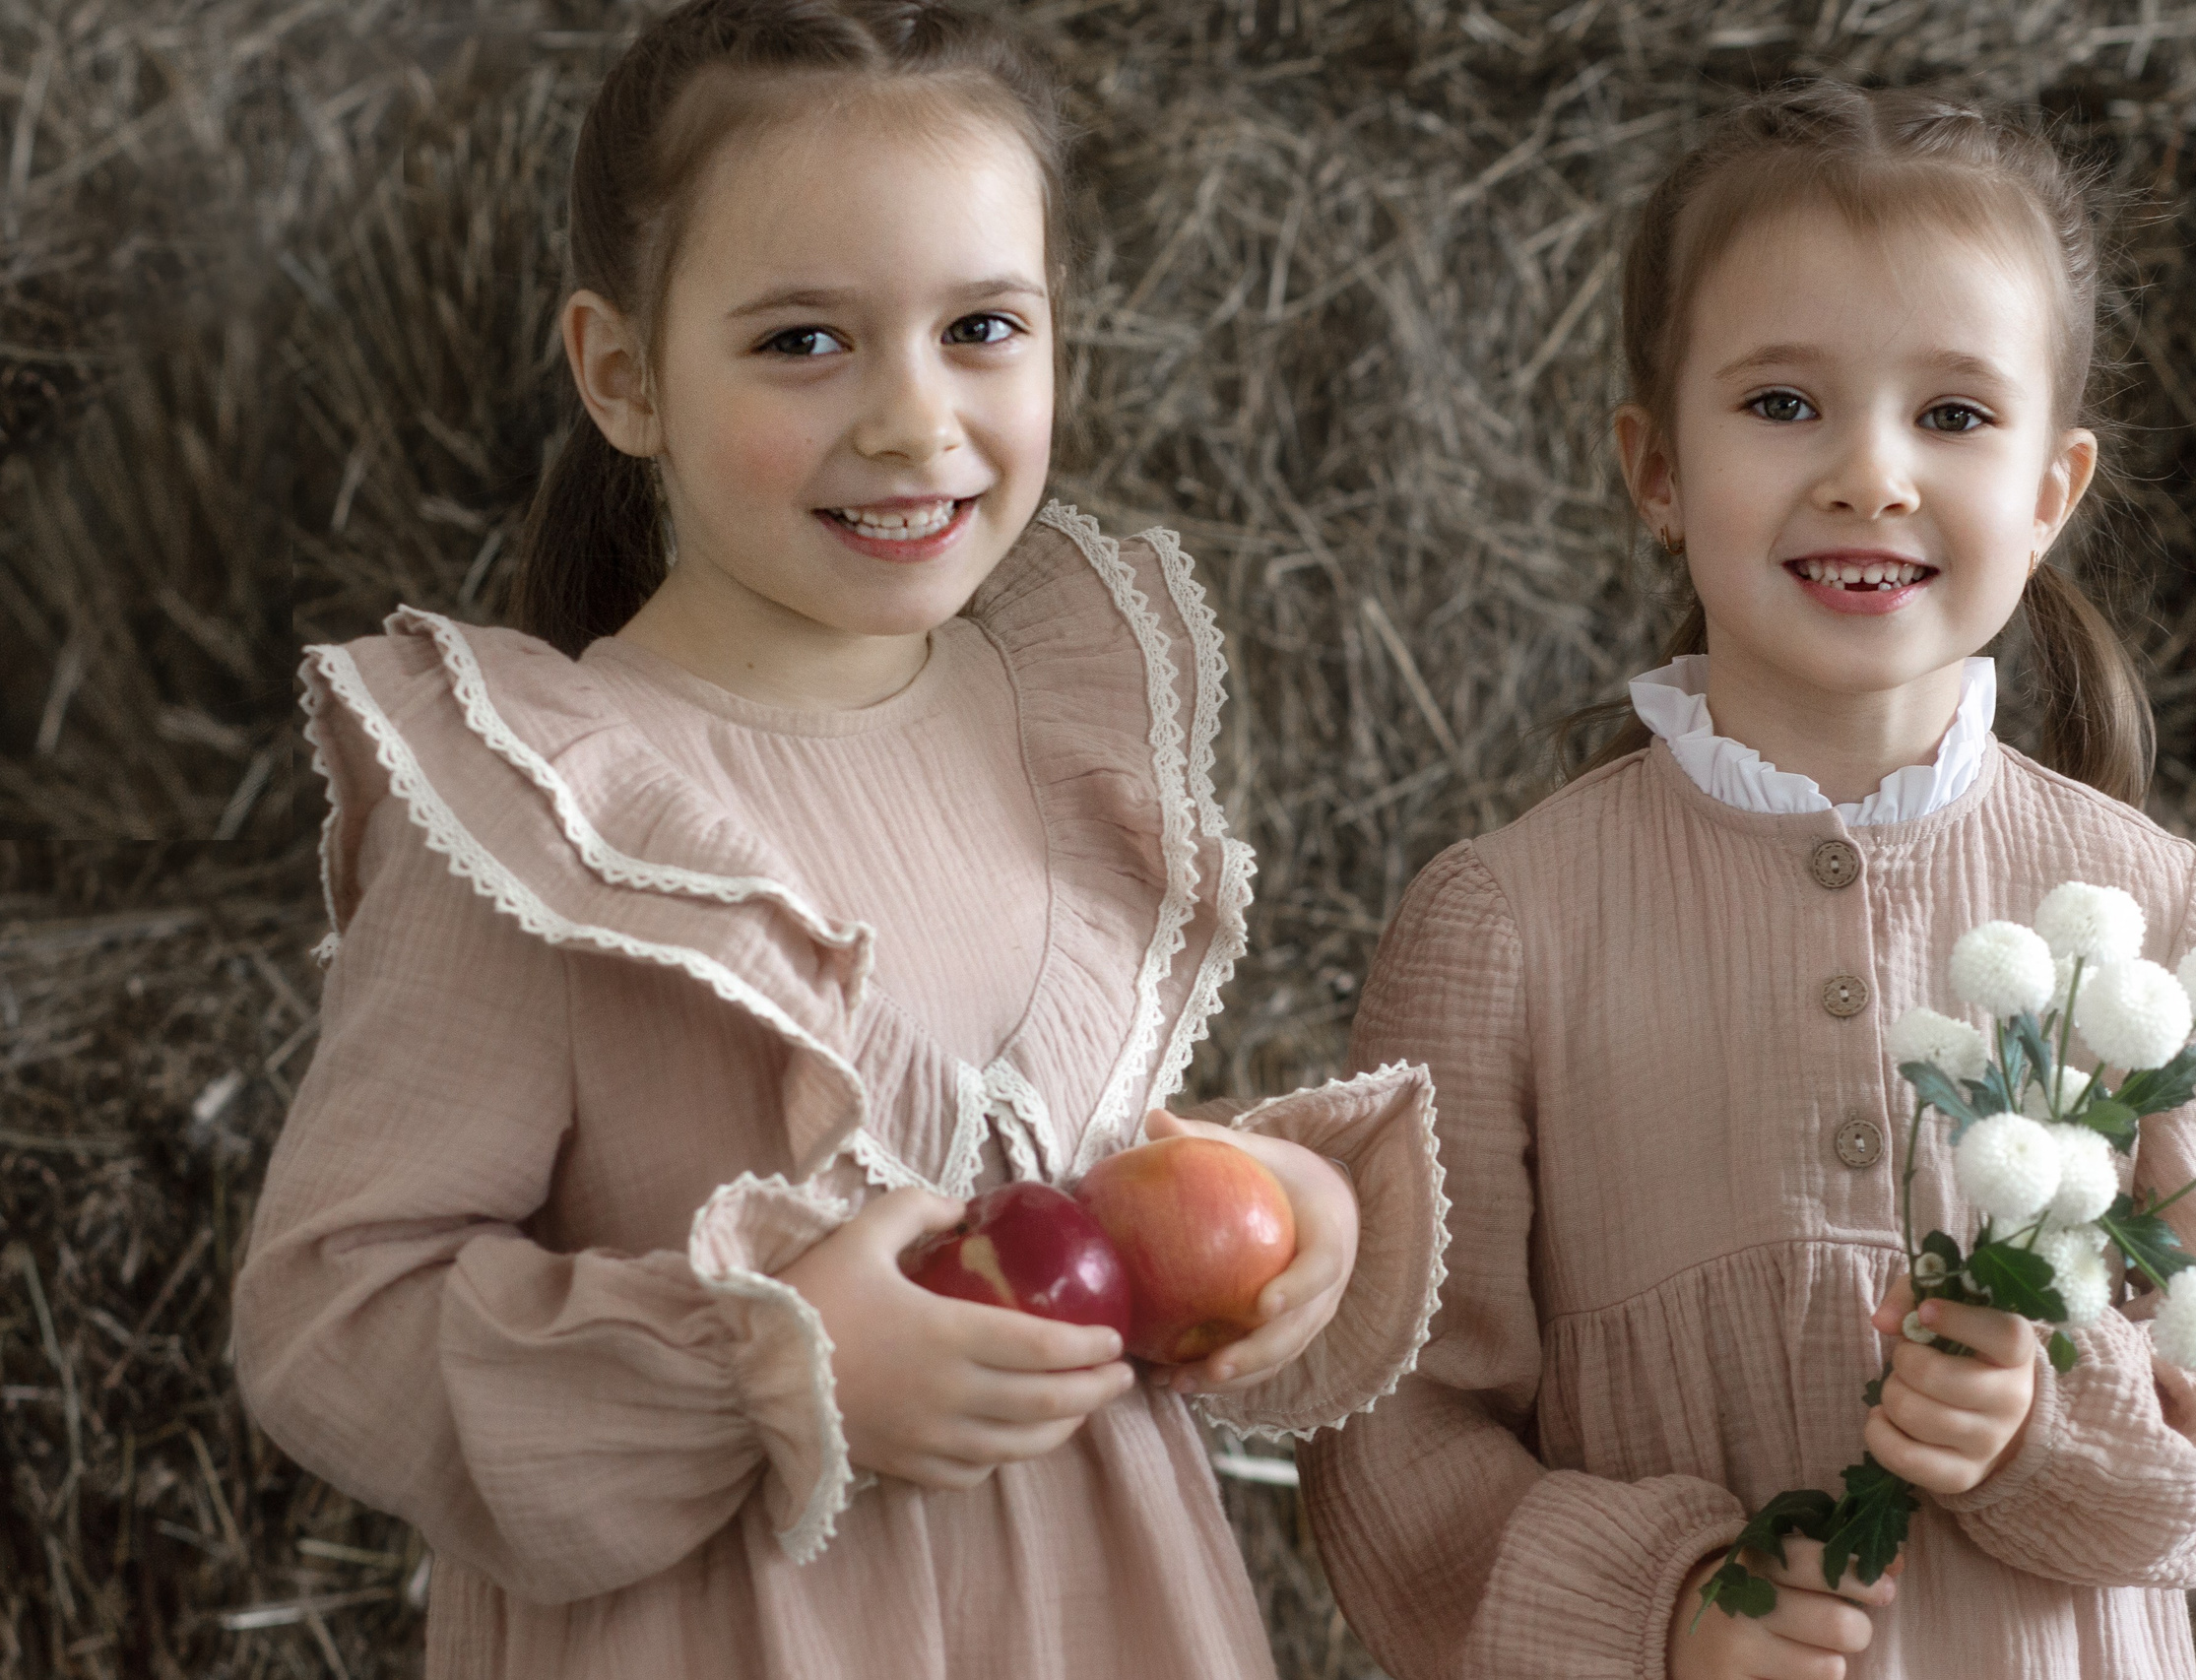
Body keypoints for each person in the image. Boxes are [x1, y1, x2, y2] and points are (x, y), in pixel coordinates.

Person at [231, 4, 1445, 1675]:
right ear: (624, 373)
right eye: (807, 341)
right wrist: (767, 1363)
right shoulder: (540, 813)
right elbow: (332, 1315)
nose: (910, 420)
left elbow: (1049, 1171)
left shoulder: (1054, 735)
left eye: (982, 328)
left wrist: (1265, 1209)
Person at [1298, 84, 2196, 1680]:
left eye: (1955, 418)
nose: (1870, 474)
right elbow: (1395, 1437)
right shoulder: (1506, 926)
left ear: (2052, 494)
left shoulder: (2171, 923)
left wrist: (2048, 1416)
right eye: (1783, 405)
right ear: (1654, 466)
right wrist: (1666, 1610)